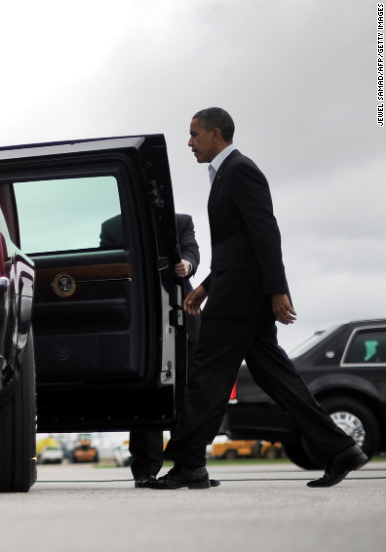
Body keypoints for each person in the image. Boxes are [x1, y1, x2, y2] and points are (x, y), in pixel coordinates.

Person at [149, 107, 365, 490]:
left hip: (240, 299)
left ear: (217, 134)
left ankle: (188, 465)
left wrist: (278, 290)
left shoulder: (240, 170)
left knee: (206, 377)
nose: (189, 143)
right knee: (275, 376)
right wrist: (204, 287)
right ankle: (340, 449)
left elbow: (265, 231)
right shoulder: (224, 175)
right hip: (237, 291)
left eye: (195, 135)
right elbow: (238, 245)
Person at [99, 213, 210, 488]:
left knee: (187, 392)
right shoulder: (112, 227)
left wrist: (188, 263)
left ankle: (189, 466)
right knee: (146, 389)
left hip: (181, 315)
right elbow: (106, 266)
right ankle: (146, 470)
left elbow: (191, 250)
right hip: (141, 317)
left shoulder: (181, 221)